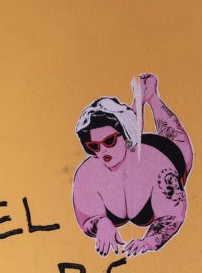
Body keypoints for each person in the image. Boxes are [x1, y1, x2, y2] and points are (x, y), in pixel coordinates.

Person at [72, 73, 193, 257]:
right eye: (94, 146)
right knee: (124, 130)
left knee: (180, 148)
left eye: (109, 141)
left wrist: (149, 241)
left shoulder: (161, 169)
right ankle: (139, 97)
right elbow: (85, 218)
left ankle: (151, 96)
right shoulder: (86, 173)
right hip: (129, 144)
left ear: (124, 137)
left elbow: (171, 216)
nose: (102, 151)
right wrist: (102, 224)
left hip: (161, 151)